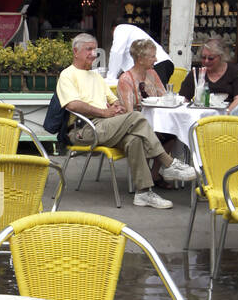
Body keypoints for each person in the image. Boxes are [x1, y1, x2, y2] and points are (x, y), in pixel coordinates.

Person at [56, 33, 196, 209]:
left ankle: (143, 193)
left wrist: (116, 107)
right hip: (84, 129)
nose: (93, 53)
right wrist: (104, 112)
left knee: (135, 139)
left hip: (105, 125)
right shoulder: (67, 75)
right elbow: (73, 104)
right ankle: (168, 163)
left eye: (95, 49)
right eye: (89, 49)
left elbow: (113, 99)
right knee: (137, 117)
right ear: (76, 52)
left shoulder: (96, 76)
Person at [117, 38, 177, 181]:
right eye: (152, 56)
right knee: (157, 135)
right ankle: (158, 172)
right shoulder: (126, 79)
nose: (156, 59)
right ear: (140, 59)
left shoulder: (153, 74)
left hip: (156, 122)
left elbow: (164, 97)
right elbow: (129, 113)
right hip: (136, 126)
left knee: (172, 134)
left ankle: (154, 173)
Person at [179, 37, 238, 109]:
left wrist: (226, 115)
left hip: (227, 116)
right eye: (203, 57)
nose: (206, 61)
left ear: (221, 57)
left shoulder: (235, 71)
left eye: (211, 58)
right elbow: (183, 98)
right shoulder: (196, 73)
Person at [108, 22, 173, 85]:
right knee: (150, 94)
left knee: (155, 94)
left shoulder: (120, 29)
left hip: (157, 64)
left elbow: (116, 52)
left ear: (114, 28)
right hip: (160, 63)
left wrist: (111, 77)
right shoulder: (132, 31)